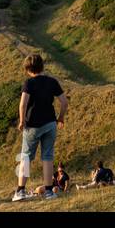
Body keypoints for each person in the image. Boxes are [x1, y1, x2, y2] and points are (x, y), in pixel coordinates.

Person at [13, 54, 68, 202]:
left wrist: (22, 120)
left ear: (27, 69)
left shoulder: (29, 83)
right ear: (42, 66)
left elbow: (23, 104)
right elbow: (64, 102)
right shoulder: (52, 82)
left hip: (33, 126)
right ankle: (49, 191)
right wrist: (60, 118)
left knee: (25, 157)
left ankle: (21, 191)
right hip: (50, 123)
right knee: (47, 157)